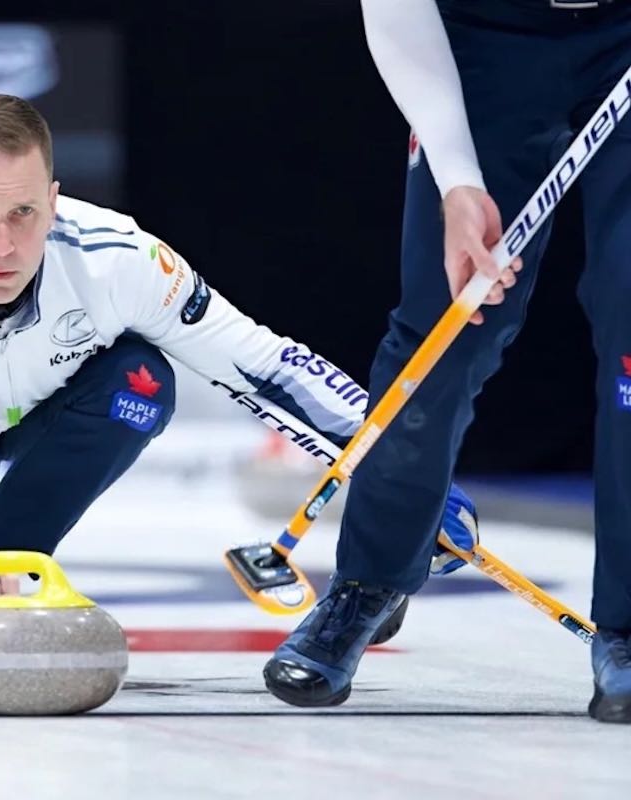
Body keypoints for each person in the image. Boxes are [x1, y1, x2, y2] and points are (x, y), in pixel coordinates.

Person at [0, 93, 488, 683]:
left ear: (54, 203)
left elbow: (259, 361)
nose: (2, 245)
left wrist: (404, 471)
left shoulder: (118, 258)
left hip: (37, 413)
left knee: (140, 378)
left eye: (24, 212)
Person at [263, 0, 631, 723]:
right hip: (488, 41)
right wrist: (457, 179)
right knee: (449, 325)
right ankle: (369, 583)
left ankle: (626, 627)